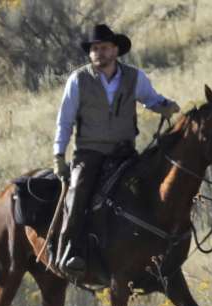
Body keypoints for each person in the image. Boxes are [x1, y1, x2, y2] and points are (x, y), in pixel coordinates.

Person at [49, 24, 180, 276]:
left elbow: (151, 99)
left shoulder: (135, 77)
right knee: (77, 195)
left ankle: (159, 242)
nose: (100, 53)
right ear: (90, 54)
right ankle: (70, 251)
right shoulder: (78, 80)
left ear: (116, 50)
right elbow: (64, 121)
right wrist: (58, 155)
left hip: (125, 153)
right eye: (95, 49)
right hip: (89, 154)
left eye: (105, 48)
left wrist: (165, 106)